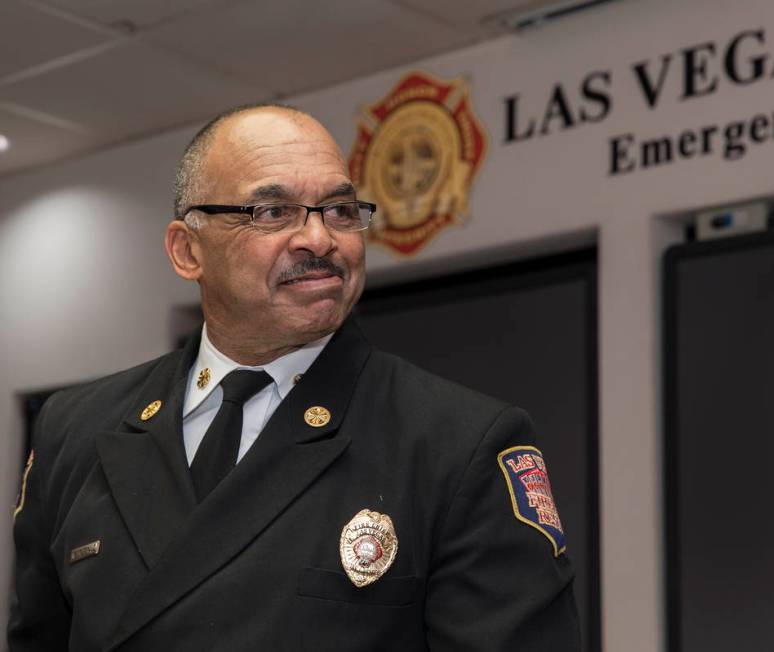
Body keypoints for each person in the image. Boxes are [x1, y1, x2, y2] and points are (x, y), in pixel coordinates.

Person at [8, 104, 581, 651]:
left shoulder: (459, 443)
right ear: (187, 251)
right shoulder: (77, 430)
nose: (320, 239)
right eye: (272, 212)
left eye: (339, 209)